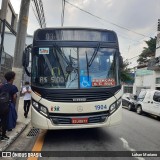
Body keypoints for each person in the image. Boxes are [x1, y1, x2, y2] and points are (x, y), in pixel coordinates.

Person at [0, 71, 18, 141]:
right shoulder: (13, 87)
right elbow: (14, 97)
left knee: (1, 120)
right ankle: (3, 136)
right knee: (5, 120)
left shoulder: (2, 86)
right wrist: (13, 105)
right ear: (12, 78)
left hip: (0, 104)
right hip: (7, 106)